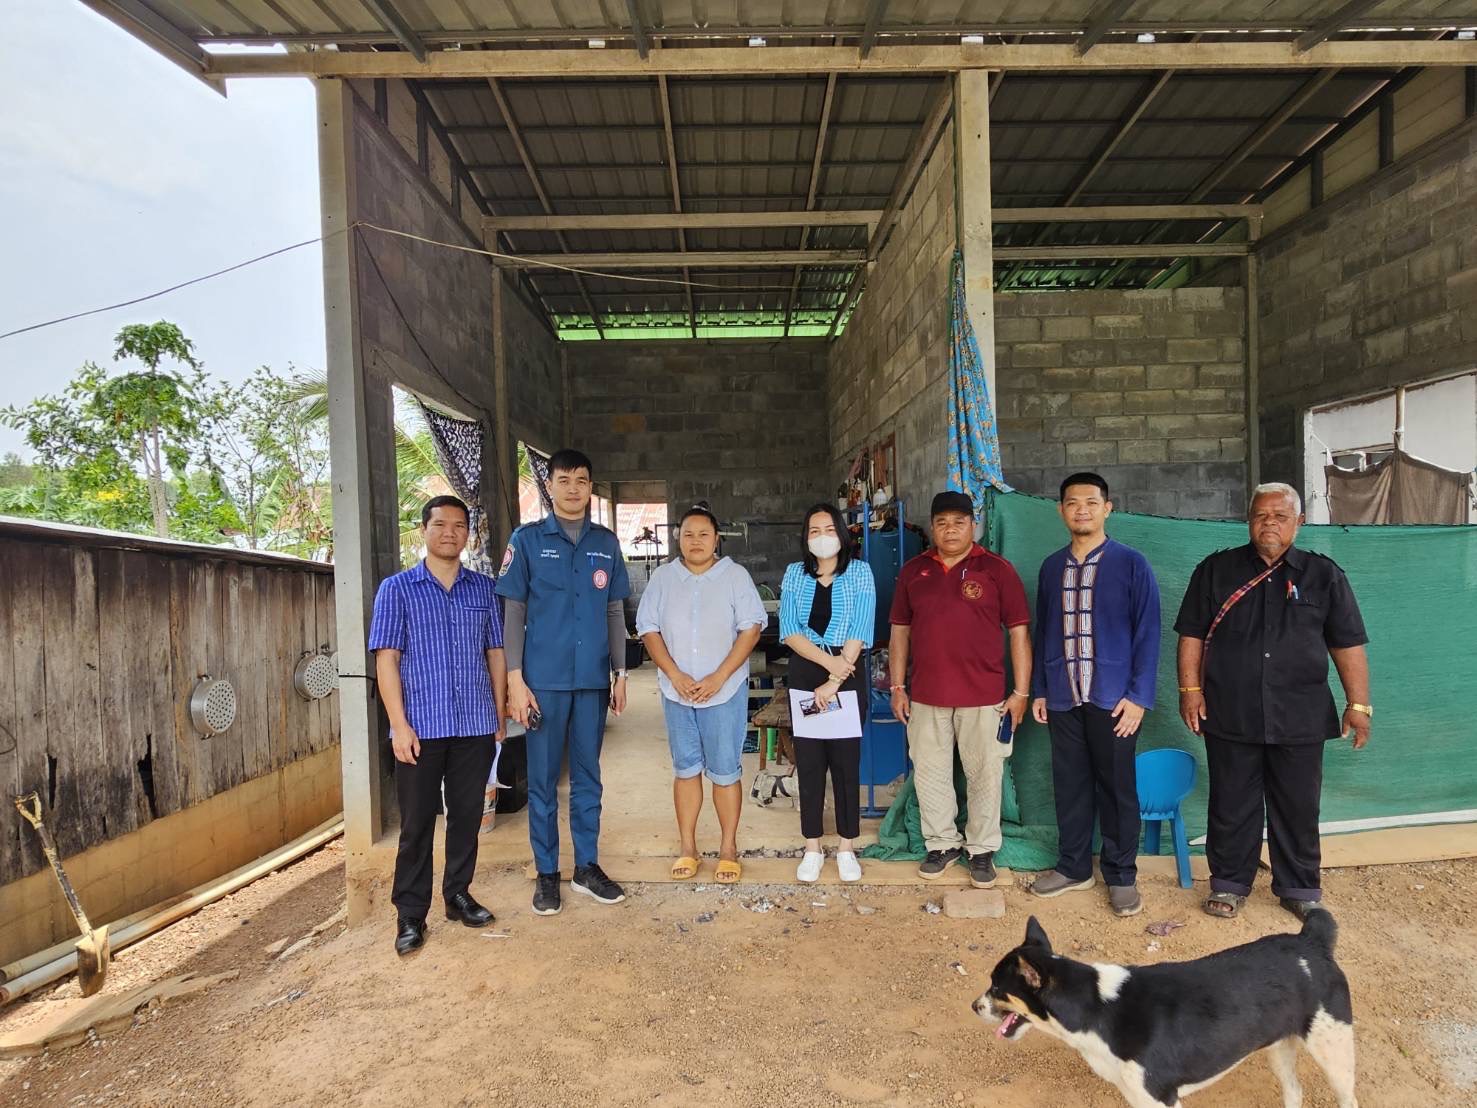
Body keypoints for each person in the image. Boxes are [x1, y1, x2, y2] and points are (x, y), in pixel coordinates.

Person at [1175, 482, 1372, 921]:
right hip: (1229, 710)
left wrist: (1358, 705)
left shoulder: (1324, 576)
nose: (1270, 523)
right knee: (1230, 801)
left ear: (1299, 523)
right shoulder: (1215, 570)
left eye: (1280, 516)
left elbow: (1348, 643)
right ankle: (1228, 884)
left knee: (1298, 804)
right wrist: (1190, 692)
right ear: (1249, 520)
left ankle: (1298, 887)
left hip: (1300, 715)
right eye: (1261, 515)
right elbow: (1191, 634)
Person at [368, 495, 507, 956]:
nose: (450, 532)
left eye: (459, 526)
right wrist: (398, 725)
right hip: (420, 729)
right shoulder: (397, 589)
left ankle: (458, 895)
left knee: (467, 817)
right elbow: (386, 660)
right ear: (425, 530)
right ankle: (410, 914)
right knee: (417, 824)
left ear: (468, 534)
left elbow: (495, 654)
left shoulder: (484, 590)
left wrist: (500, 713)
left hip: (474, 723)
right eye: (440, 524)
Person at [496, 449, 632, 916]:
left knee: (588, 778)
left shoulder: (606, 543)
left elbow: (615, 611)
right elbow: (513, 612)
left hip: (593, 681)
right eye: (564, 480)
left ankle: (587, 867)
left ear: (590, 487)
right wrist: (515, 679)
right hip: (544, 683)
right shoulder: (528, 540)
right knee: (542, 782)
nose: (573, 488)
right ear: (548, 486)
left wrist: (620, 672)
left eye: (582, 480)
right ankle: (548, 872)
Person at [1028, 473, 1161, 917]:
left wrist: (1139, 697)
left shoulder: (1131, 563)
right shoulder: (1051, 567)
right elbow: (1045, 630)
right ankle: (1073, 866)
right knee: (1070, 786)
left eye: (1090, 501)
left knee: (1118, 788)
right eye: (1072, 502)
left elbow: (1148, 632)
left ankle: (1121, 875)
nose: (1081, 509)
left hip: (1114, 701)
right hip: (1065, 697)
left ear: (1108, 508)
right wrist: (1041, 690)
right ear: (1061, 511)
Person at [888, 491, 1031, 889]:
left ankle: (982, 850)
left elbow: (1019, 632)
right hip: (925, 696)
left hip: (984, 697)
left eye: (959, 522)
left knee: (985, 775)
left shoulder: (997, 570)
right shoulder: (914, 571)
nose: (950, 529)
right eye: (942, 522)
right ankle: (942, 844)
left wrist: (1020, 693)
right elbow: (899, 632)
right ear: (932, 527)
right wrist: (898, 686)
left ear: (974, 525)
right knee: (930, 774)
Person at [637, 503, 767, 884]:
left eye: (704, 534)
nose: (695, 541)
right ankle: (688, 847)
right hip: (677, 692)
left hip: (723, 691)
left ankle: (728, 848)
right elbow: (648, 628)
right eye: (688, 534)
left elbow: (751, 629)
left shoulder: (735, 576)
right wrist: (674, 674)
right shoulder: (663, 578)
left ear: (716, 540)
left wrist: (718, 676)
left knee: (725, 772)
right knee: (686, 769)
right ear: (678, 537)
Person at [779, 503, 876, 883]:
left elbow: (861, 624)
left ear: (842, 533)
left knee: (846, 762)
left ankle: (847, 846)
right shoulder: (794, 574)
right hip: (806, 672)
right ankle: (813, 846)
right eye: (814, 530)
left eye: (828, 528)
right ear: (806, 537)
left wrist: (836, 678)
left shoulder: (860, 573)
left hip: (847, 673)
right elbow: (789, 628)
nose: (822, 536)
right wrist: (826, 665)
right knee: (811, 763)